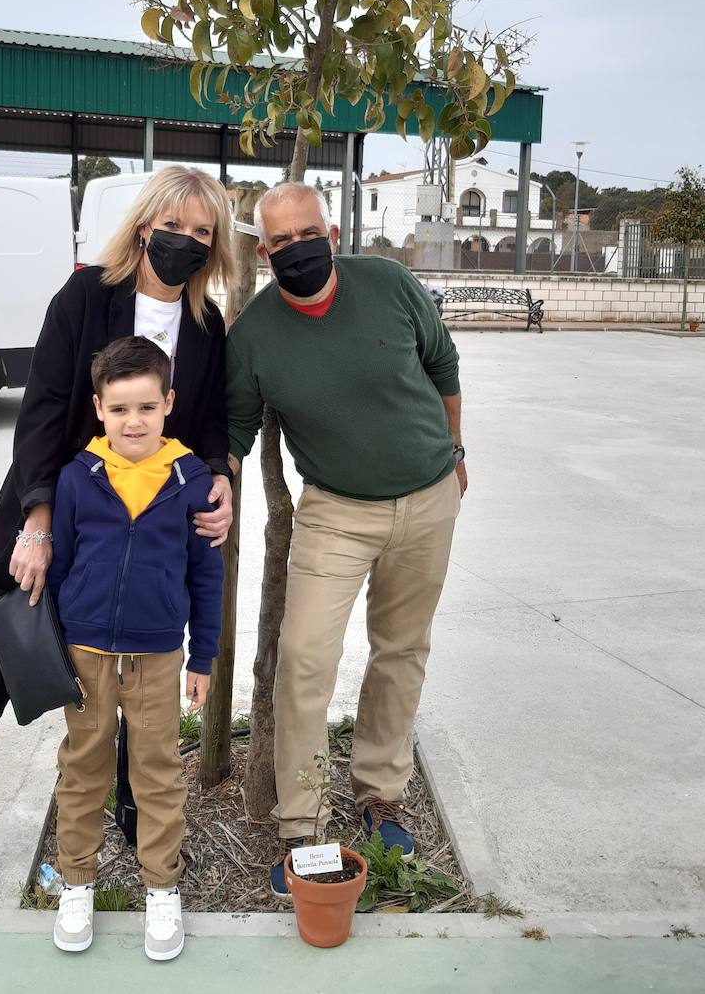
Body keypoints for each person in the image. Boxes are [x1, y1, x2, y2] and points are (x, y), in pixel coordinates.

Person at [0, 166, 235, 938]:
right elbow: (42, 408)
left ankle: (137, 843)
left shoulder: (207, 326)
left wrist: (223, 476)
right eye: (174, 225)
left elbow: (212, 424)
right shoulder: (85, 297)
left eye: (203, 233)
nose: (186, 241)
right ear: (145, 226)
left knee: (131, 689)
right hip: (56, 525)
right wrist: (36, 521)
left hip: (149, 536)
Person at [225, 182, 467, 897]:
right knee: (302, 657)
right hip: (334, 510)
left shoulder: (387, 282)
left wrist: (455, 452)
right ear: (264, 252)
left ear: (331, 234)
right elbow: (235, 430)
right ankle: (301, 825)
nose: (298, 249)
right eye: (282, 242)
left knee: (401, 650)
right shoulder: (255, 334)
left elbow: (442, 364)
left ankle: (379, 793)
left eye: (310, 234)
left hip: (428, 499)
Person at [47, 336, 221, 960]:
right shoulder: (77, 478)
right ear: (98, 408)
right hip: (87, 654)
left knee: (157, 772)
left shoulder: (192, 479)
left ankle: (162, 889)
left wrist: (203, 657)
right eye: (119, 410)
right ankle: (76, 882)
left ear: (169, 403)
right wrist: (56, 648)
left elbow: (206, 574)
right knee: (83, 767)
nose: (134, 422)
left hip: (158, 656)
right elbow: (61, 564)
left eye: (147, 407)